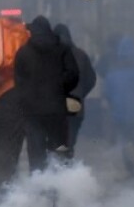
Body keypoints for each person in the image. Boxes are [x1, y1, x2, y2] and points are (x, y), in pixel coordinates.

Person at [14, 16, 79, 173]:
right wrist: (60, 88)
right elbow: (73, 75)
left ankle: (38, 186)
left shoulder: (23, 53)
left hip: (32, 111)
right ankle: (56, 186)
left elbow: (18, 82)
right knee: (57, 149)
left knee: (36, 151)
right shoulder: (62, 49)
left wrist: (26, 98)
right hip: (57, 109)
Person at [102, 36, 134, 177]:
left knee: (125, 142)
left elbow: (107, 96)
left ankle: (131, 170)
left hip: (120, 116)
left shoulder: (111, 75)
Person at [54, 23, 97, 157]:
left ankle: (55, 170)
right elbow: (91, 79)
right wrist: (80, 93)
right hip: (75, 104)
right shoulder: (80, 54)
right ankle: (68, 167)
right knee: (69, 141)